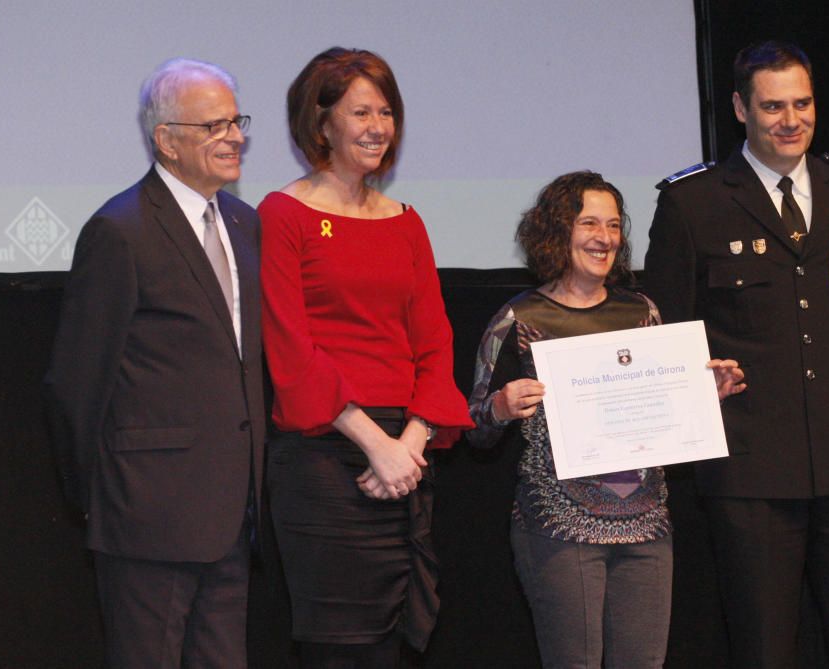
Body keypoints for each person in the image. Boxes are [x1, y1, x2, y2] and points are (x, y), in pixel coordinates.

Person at [643, 41, 829, 668]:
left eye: (803, 103)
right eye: (772, 106)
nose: (791, 120)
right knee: (763, 647)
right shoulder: (693, 201)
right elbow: (664, 326)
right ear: (740, 108)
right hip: (750, 464)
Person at [468, 171, 746, 669]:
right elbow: (475, 429)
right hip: (557, 530)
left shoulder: (642, 312)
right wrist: (501, 407)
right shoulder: (518, 319)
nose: (605, 238)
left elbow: (666, 416)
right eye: (589, 223)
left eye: (614, 225)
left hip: (647, 528)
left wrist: (708, 395)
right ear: (556, 232)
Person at [43, 58, 264, 667]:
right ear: (166, 140)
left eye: (236, 121)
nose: (235, 137)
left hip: (232, 511)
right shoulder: (120, 230)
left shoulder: (246, 225)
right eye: (214, 126)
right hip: (147, 515)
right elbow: (75, 384)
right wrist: (101, 497)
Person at [259, 47, 473, 667]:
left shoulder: (406, 221)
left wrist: (411, 439)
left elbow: (434, 342)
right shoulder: (284, 213)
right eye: (360, 112)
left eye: (387, 111)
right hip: (325, 459)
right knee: (340, 649)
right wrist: (374, 443)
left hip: (406, 457)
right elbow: (290, 347)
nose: (378, 126)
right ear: (321, 123)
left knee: (392, 646)